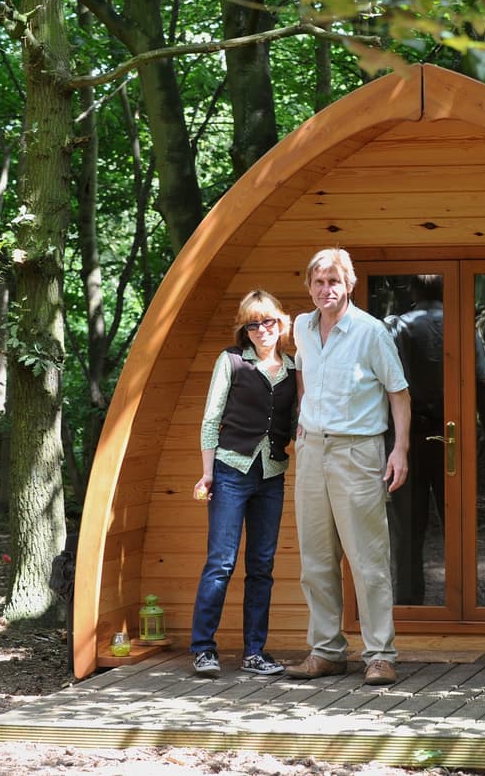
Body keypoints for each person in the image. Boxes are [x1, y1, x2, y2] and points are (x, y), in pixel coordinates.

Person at [286, 248, 410, 686]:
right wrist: (303, 422)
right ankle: (326, 651)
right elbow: (303, 375)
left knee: (367, 559)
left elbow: (399, 393)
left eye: (334, 282)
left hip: (358, 452)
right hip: (311, 451)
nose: (326, 290)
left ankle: (380, 655)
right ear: (309, 286)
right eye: (319, 282)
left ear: (350, 285)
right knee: (316, 560)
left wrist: (399, 450)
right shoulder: (301, 327)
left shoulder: (371, 332)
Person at [189, 290, 297, 678]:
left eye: (268, 321)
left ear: (281, 323)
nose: (261, 329)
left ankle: (254, 653)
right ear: (244, 330)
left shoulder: (295, 369)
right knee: (221, 562)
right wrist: (208, 473)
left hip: (272, 475)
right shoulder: (231, 361)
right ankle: (203, 649)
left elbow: (297, 421)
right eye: (253, 324)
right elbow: (210, 420)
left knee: (262, 566)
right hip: (231, 471)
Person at [384, 275, 485, 605]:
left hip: (409, 439)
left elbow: (384, 385)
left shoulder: (397, 327)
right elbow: (482, 383)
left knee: (408, 527)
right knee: (459, 521)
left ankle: (409, 602)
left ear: (413, 289)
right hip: (455, 437)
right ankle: (463, 599)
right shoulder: (463, 327)